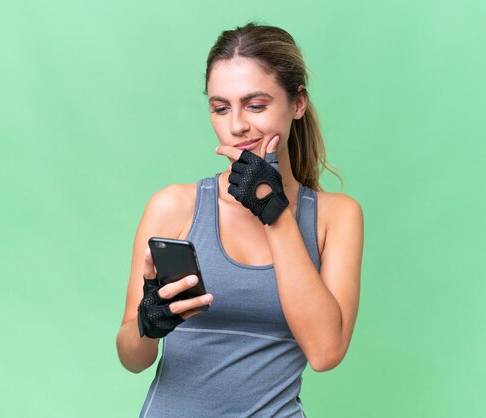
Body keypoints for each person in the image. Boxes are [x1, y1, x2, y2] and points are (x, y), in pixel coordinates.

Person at [116, 23, 364, 417]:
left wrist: (273, 212)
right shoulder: (173, 206)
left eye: (256, 105)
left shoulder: (336, 216)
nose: (237, 126)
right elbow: (132, 357)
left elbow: (325, 351)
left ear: (297, 104)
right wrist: (150, 322)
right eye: (220, 107)